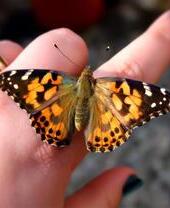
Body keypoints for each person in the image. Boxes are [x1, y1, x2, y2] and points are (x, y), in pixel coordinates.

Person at [0, 10, 169, 208]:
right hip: (102, 117)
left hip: (59, 112)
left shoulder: (56, 82)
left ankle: (60, 131)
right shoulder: (115, 89)